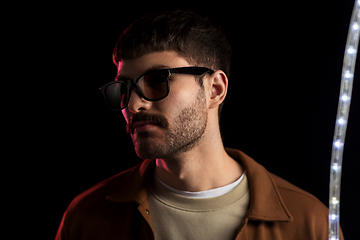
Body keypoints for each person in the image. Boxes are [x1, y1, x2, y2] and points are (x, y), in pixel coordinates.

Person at [56, 10, 344, 240]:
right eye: (123, 89)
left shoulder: (309, 223)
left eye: (157, 81)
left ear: (215, 89)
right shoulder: (87, 218)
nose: (133, 105)